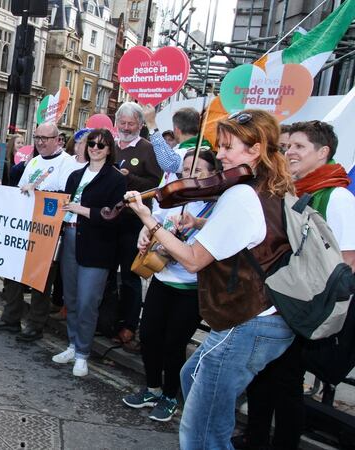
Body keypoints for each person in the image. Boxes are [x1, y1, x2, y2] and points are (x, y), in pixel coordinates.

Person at [125, 109, 296, 449]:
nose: (219, 154)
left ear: (256, 150)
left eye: (228, 147)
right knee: (192, 376)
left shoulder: (242, 195)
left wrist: (150, 221)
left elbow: (192, 260)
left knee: (201, 433)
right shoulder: (268, 188)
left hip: (250, 321)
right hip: (265, 319)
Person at [234, 120, 355, 450]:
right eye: (288, 147)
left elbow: (347, 263)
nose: (290, 152)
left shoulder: (337, 197)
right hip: (278, 303)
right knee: (261, 377)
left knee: (287, 386)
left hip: (304, 311)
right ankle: (254, 438)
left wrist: (313, 309)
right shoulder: (292, 190)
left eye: (299, 146)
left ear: (323, 151)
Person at [122, 150, 221, 423]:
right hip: (162, 278)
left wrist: (196, 223)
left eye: (197, 170)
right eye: (185, 169)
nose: (188, 175)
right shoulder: (174, 199)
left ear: (213, 173)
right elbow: (155, 226)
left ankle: (169, 395)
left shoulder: (217, 205)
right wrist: (144, 237)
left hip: (191, 287)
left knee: (174, 343)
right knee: (150, 335)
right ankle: (152, 388)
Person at [0, 122, 81, 341]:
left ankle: (36, 324)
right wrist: (1, 187)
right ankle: (11, 318)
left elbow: (67, 195)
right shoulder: (34, 161)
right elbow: (21, 192)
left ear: (58, 140)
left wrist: (38, 192)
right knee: (13, 272)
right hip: (25, 226)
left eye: (45, 138)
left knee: (40, 279)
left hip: (49, 229)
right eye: (37, 137)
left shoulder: (67, 163)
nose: (40, 142)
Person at [52, 128, 125, 377]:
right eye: (91, 143)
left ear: (109, 150)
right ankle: (73, 345)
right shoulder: (75, 175)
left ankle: (83, 353)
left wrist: (82, 210)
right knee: (70, 298)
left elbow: (115, 217)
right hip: (71, 238)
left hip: (97, 246)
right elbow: (60, 203)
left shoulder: (116, 179)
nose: (94, 147)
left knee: (87, 302)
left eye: (100, 145)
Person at [113, 102, 163, 347]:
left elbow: (155, 184)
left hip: (134, 222)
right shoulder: (110, 145)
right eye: (122, 122)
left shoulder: (147, 149)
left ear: (140, 125)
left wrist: (128, 179)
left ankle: (129, 325)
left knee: (131, 275)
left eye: (130, 123)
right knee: (109, 273)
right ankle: (109, 318)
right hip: (108, 219)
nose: (125, 127)